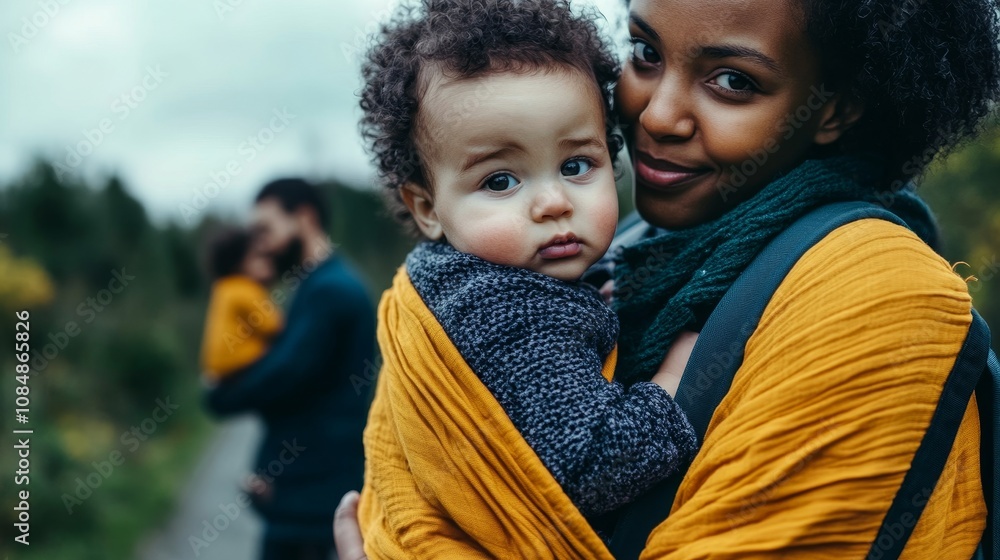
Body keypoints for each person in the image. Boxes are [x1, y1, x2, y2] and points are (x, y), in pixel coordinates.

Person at [339, 0, 1000, 556]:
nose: (656, 116)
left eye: (733, 82)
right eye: (645, 54)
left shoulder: (878, 296)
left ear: (836, 109)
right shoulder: (628, 251)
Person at [356, 1, 699, 554]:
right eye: (499, 181)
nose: (552, 203)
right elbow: (594, 466)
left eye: (575, 165)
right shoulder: (508, 311)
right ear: (427, 208)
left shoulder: (459, 280)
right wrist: (679, 379)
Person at [205, 178, 377, 560]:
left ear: (303, 217)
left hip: (312, 499)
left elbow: (282, 376)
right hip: (304, 493)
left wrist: (217, 395)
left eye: (266, 230)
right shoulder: (317, 285)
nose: (261, 244)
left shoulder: (330, 291)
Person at [199, 227, 283, 381]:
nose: (268, 261)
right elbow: (274, 326)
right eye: (259, 256)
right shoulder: (244, 288)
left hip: (220, 372)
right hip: (241, 368)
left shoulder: (223, 288)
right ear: (238, 263)